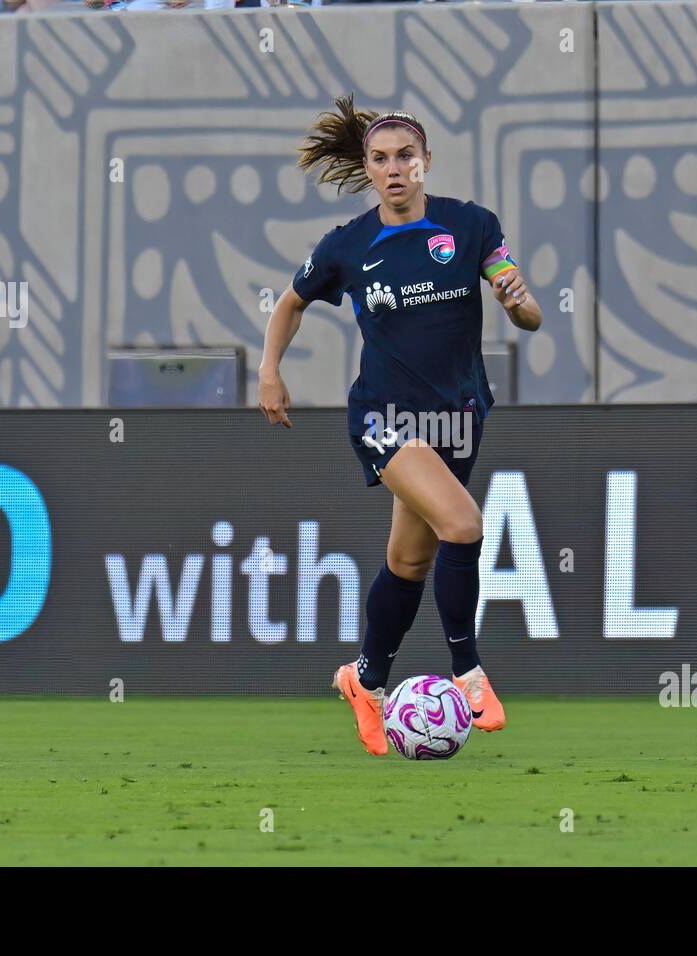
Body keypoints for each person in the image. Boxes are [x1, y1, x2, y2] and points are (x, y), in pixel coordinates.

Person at [259, 94, 542, 756]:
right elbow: (290, 303)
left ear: (426, 163)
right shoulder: (349, 245)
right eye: (381, 159)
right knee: (464, 524)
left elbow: (524, 312)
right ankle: (467, 672)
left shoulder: (470, 227)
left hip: (458, 419)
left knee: (409, 561)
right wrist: (270, 369)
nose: (393, 170)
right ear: (368, 166)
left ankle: (366, 679)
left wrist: (518, 302)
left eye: (405, 158)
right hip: (386, 416)